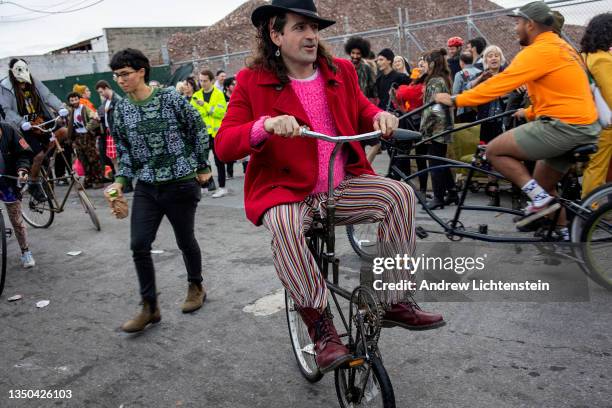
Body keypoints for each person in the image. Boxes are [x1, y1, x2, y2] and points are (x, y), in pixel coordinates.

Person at [216, 0, 443, 373]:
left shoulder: (339, 71)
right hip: (288, 191)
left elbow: (361, 108)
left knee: (398, 195)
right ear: (275, 34)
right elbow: (224, 145)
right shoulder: (251, 80)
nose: (311, 36)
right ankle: (321, 328)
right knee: (286, 226)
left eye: (315, 29)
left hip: (341, 185)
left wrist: (380, 115)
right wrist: (264, 126)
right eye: (300, 28)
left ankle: (395, 299)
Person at [435, 1, 601, 234]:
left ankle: (542, 204)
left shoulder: (538, 51)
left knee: (494, 151)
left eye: (519, 23)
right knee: (542, 187)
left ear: (530, 25)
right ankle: (563, 233)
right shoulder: (564, 48)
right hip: (581, 125)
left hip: (563, 126)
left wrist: (456, 100)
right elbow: (568, 92)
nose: (516, 29)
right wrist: (531, 111)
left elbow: (500, 83)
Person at [104, 48, 212, 333]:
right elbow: (125, 153)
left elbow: (198, 128)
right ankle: (149, 306)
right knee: (139, 244)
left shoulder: (170, 98)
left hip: (180, 182)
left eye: (125, 74)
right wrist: (120, 182)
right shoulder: (122, 110)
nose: (120, 80)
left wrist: (201, 164)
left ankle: (196, 286)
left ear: (142, 71)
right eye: (116, 76)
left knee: (185, 239)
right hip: (147, 186)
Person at [0, 58, 63, 202]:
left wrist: (61, 108)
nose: (23, 84)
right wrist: (21, 122)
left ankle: (46, 157)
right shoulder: (5, 87)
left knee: (63, 132)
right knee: (38, 156)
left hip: (40, 121)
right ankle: (33, 183)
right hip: (22, 127)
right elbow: (7, 110)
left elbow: (47, 96)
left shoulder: (33, 81)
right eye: (20, 82)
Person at [469, 45, 507, 207]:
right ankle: (494, 191)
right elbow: (469, 89)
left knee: (507, 157)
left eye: (496, 55)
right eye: (489, 56)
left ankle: (517, 191)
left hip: (504, 122)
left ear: (501, 59)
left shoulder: (508, 75)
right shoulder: (482, 76)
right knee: (488, 157)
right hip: (487, 122)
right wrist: (482, 77)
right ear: (485, 60)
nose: (493, 58)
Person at [580, 13, 612, 197]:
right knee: (597, 169)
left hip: (592, 119)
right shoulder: (603, 59)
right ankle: (590, 210)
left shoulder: (585, 55)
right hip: (606, 126)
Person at [420, 49, 456, 210]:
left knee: (434, 162)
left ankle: (438, 197)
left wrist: (424, 128)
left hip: (436, 128)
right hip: (444, 126)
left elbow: (432, 108)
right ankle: (453, 193)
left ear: (433, 64)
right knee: (440, 161)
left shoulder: (435, 81)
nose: (423, 66)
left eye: (425, 62)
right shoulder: (443, 79)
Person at [0, 121, 35, 268]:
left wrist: (22, 169)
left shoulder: (9, 130)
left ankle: (25, 252)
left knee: (16, 219)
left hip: (8, 182)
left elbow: (24, 152)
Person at [191, 70, 228, 198]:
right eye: (200, 81)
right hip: (202, 134)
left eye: (205, 81)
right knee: (202, 161)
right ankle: (205, 186)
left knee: (219, 161)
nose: (202, 83)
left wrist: (205, 106)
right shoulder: (196, 96)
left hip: (216, 134)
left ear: (212, 81)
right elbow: (194, 114)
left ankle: (222, 187)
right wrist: (208, 110)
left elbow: (220, 112)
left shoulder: (218, 94)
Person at [395, 60, 429, 195]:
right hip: (414, 123)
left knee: (414, 157)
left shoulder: (419, 87)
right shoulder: (415, 85)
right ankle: (421, 189)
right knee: (418, 158)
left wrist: (402, 90)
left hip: (415, 124)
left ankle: (419, 189)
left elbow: (403, 94)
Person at [66, 92, 103, 188]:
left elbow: (95, 118)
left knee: (93, 158)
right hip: (77, 138)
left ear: (79, 99)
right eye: (72, 100)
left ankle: (98, 179)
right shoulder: (71, 111)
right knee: (83, 159)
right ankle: (88, 179)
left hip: (87, 136)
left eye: (75, 99)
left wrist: (87, 128)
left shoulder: (84, 108)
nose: (74, 102)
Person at [95, 80, 122, 180]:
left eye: (101, 92)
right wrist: (98, 117)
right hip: (109, 132)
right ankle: (118, 179)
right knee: (113, 158)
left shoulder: (116, 100)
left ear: (106, 88)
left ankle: (124, 182)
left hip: (116, 132)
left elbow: (119, 118)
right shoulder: (107, 101)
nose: (101, 94)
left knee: (119, 158)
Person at [452, 51, 482, 123]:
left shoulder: (460, 74)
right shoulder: (480, 72)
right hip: (480, 107)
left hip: (465, 109)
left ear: (461, 62)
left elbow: (455, 93)